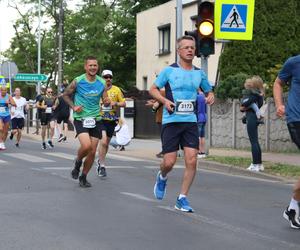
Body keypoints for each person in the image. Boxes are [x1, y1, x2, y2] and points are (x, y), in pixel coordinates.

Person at [149, 35, 214, 212]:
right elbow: (152, 89)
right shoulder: (168, 71)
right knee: (169, 162)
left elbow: (209, 91)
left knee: (191, 161)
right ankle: (162, 177)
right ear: (178, 51)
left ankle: (182, 198)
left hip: (190, 122)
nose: (190, 50)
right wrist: (164, 101)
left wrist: (210, 96)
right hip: (171, 121)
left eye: (192, 47)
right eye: (186, 47)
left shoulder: (199, 73)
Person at [63, 56, 109, 187]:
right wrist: (73, 107)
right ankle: (78, 161)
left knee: (92, 152)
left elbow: (105, 99)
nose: (93, 68)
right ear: (86, 67)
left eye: (95, 65)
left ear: (97, 67)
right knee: (87, 146)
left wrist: (106, 101)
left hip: (96, 119)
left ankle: (83, 176)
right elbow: (65, 95)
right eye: (90, 65)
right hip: (81, 118)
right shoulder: (78, 81)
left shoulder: (102, 82)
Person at [273, 54, 300, 229]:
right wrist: (279, 104)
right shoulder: (294, 62)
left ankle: (293, 206)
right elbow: (278, 83)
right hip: (297, 119)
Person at [96, 69, 126, 177]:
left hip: (111, 120)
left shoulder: (116, 90)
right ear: (102, 78)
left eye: (110, 77)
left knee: (106, 144)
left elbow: (124, 103)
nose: (108, 79)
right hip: (100, 119)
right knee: (103, 142)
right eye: (106, 77)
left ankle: (100, 160)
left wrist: (115, 103)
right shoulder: (98, 89)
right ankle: (102, 166)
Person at [240, 76, 264, 172]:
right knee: (255, 142)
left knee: (253, 142)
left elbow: (243, 104)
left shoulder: (253, 95)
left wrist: (243, 107)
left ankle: (255, 164)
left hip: (251, 118)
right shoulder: (259, 95)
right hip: (253, 117)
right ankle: (259, 164)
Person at [146, 90, 165, 158]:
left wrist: (153, 105)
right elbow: (159, 101)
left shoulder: (162, 92)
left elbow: (158, 103)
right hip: (163, 118)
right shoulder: (164, 91)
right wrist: (153, 101)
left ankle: (164, 151)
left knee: (164, 136)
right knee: (164, 136)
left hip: (162, 118)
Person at [0, 84, 16, 150]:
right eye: (2, 90)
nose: (4, 91)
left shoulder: (9, 96)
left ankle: (2, 143)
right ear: (0, 91)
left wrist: (9, 103)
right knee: (1, 128)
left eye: (5, 90)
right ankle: (0, 142)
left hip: (7, 115)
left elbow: (15, 104)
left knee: (6, 131)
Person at [196, 89, 207, 158]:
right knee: (202, 136)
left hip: (198, 117)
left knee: (198, 136)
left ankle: (199, 152)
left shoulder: (196, 97)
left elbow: (196, 108)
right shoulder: (204, 96)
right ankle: (203, 152)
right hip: (204, 117)